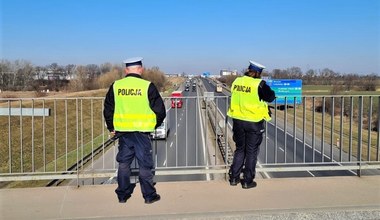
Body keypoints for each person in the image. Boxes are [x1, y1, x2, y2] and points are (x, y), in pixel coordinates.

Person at [103, 57, 166, 204]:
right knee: (145, 165)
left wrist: (112, 127)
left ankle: (122, 195)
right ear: (141, 69)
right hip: (141, 132)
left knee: (124, 163)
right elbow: (160, 111)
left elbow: (108, 109)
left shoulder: (116, 86)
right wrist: (152, 125)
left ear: (126, 70)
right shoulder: (147, 86)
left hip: (123, 132)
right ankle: (149, 196)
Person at [227, 60, 275, 189]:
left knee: (239, 149)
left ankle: (234, 178)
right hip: (253, 122)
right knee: (251, 152)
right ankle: (247, 181)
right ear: (259, 73)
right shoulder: (260, 84)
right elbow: (270, 97)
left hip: (237, 120)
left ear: (248, 70)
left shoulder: (237, 81)